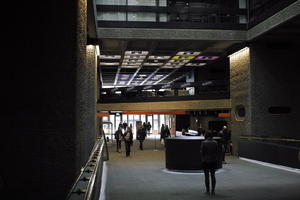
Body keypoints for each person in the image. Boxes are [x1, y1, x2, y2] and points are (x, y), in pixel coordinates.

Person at [201, 131, 218, 196]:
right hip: (213, 161)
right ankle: (213, 191)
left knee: (206, 176)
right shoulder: (215, 143)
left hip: (205, 161)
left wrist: (203, 159)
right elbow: (217, 152)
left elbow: (201, 152)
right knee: (213, 175)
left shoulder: (203, 143)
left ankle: (207, 191)